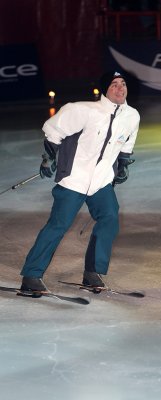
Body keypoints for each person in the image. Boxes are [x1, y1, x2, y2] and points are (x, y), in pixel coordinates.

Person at [19, 71, 140, 293]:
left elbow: (126, 145)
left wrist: (122, 166)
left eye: (123, 84)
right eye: (114, 85)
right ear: (105, 89)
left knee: (109, 217)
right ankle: (31, 275)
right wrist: (48, 158)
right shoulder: (84, 110)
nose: (120, 88)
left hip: (101, 182)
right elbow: (53, 129)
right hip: (74, 179)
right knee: (58, 225)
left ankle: (92, 273)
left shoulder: (132, 116)